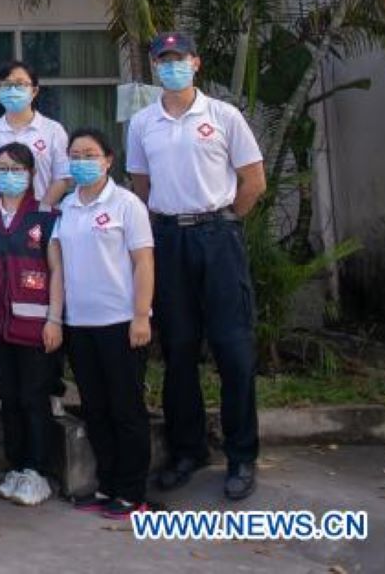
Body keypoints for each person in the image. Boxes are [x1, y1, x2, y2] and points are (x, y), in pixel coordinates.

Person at [126, 30, 266, 501]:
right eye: (162, 60)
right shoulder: (144, 122)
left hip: (218, 236)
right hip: (168, 238)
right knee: (180, 350)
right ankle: (187, 451)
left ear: (195, 62)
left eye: (178, 58)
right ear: (154, 67)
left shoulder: (224, 116)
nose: (171, 66)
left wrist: (224, 222)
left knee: (232, 348)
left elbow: (253, 181)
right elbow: (141, 184)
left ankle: (242, 455)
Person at [48, 127, 156, 519]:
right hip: (81, 326)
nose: (82, 162)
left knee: (126, 409)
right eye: (75, 155)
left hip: (121, 323)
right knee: (95, 409)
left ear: (109, 160)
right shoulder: (68, 209)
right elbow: (57, 267)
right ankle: (108, 484)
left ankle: (133, 491)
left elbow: (143, 262)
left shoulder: (127, 204)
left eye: (90, 154)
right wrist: (56, 319)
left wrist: (141, 315)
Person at [0, 142, 59, 507]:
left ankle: (37, 471)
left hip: (35, 326)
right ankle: (16, 466)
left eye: (17, 168)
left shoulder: (46, 217)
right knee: (7, 397)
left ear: (30, 174)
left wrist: (55, 318)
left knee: (33, 397)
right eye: (3, 168)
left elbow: (57, 271)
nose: (9, 175)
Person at [0, 60, 72, 208]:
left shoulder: (53, 130)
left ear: (34, 91)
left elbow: (63, 177)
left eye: (20, 84)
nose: (13, 90)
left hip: (43, 218)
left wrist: (41, 209)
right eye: (7, 85)